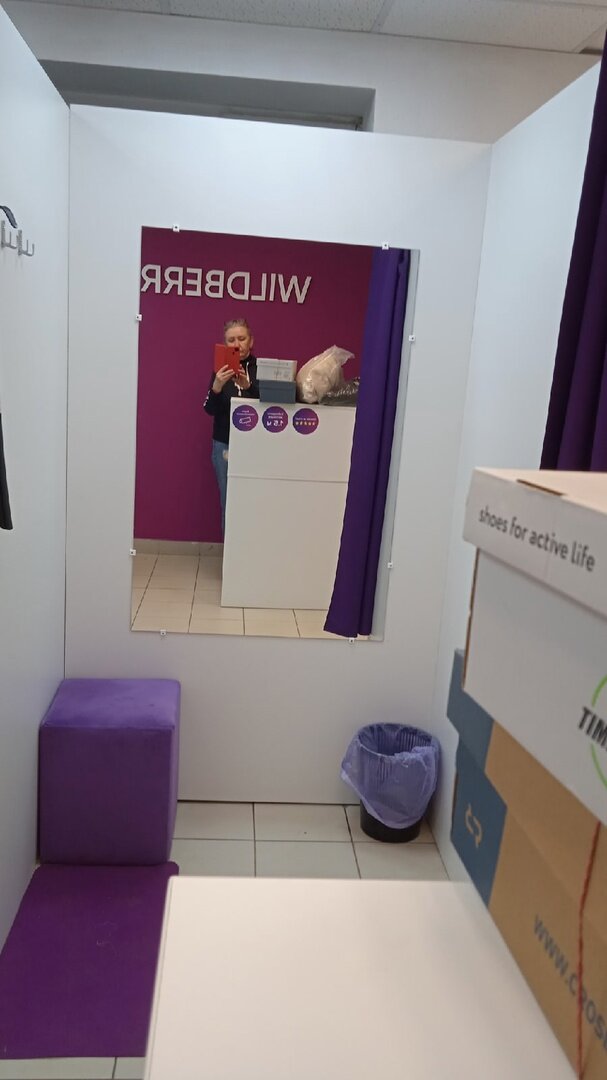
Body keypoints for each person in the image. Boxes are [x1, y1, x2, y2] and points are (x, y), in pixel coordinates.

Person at [203, 318, 258, 535]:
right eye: (231, 340)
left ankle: (252, 549)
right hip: (225, 445)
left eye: (241, 338)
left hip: (257, 446)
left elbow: (272, 408)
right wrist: (216, 387)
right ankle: (231, 555)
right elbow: (209, 409)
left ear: (251, 341)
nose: (237, 344)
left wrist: (249, 387)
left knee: (255, 502)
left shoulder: (261, 369)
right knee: (230, 503)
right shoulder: (220, 371)